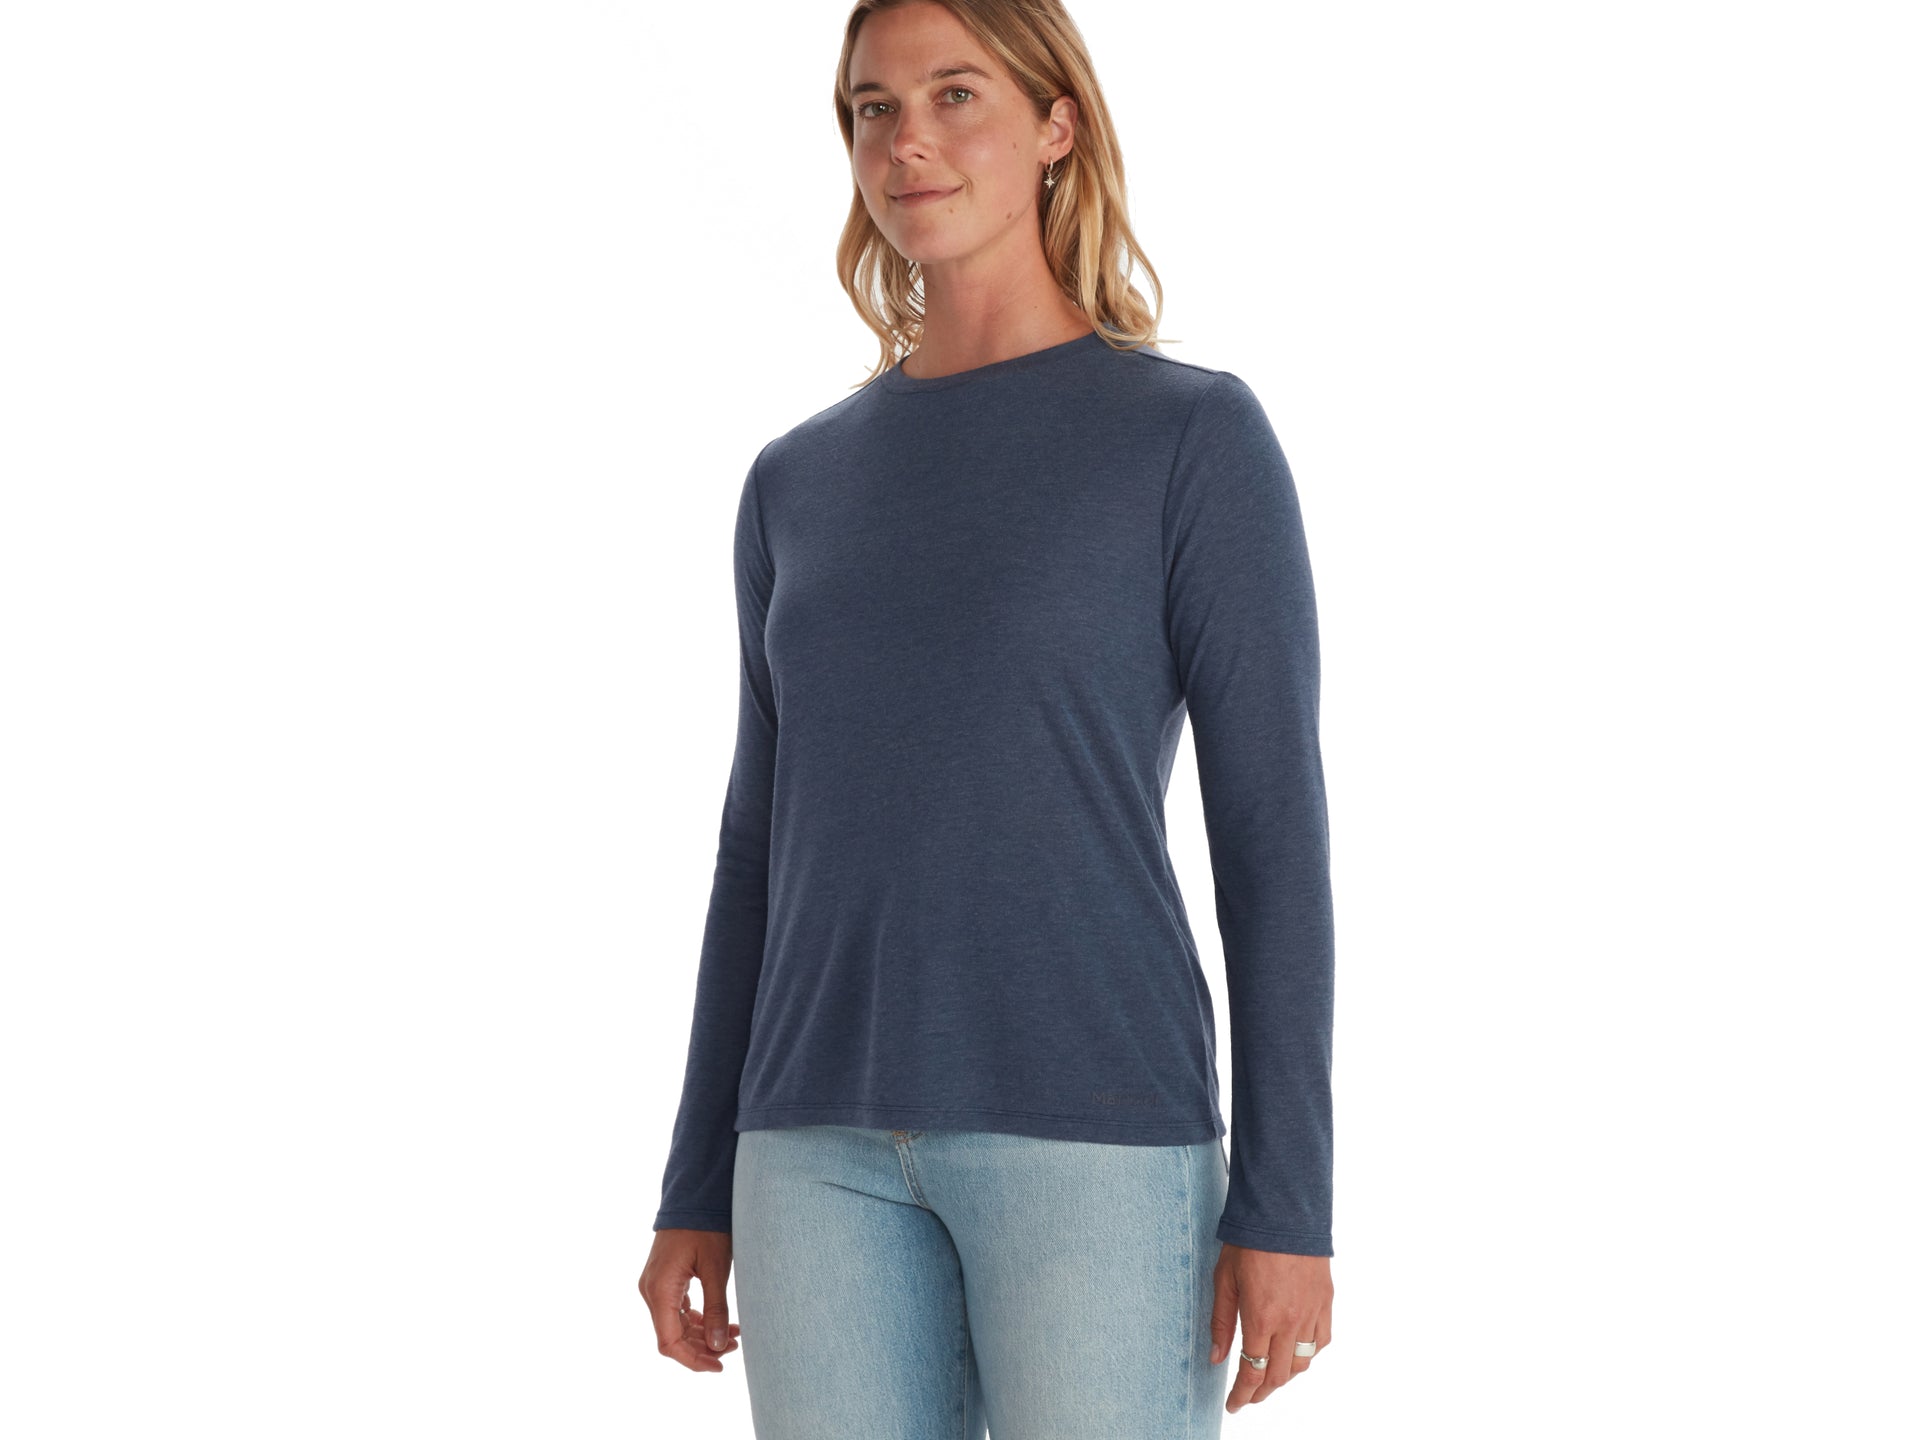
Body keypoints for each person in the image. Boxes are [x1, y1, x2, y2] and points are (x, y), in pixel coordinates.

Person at [638, 2, 1336, 1433]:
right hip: (811, 1153)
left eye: (955, 94)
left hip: (1094, 1140)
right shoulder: (795, 483)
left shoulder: (1189, 439)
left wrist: (1290, 1202)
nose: (908, 141)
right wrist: (696, 1179)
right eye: (873, 107)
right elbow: (757, 852)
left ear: (1055, 124)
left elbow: (1271, 838)